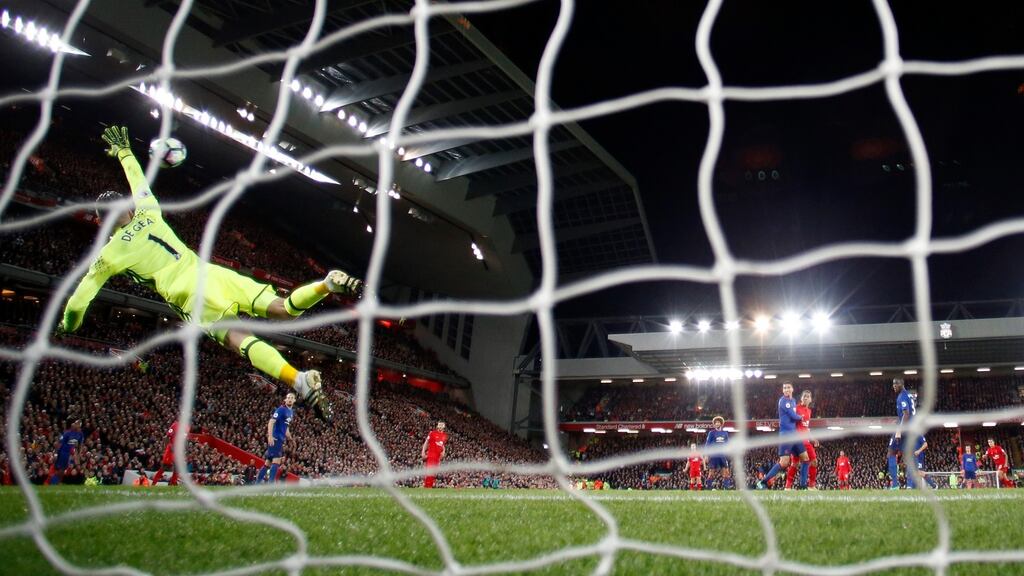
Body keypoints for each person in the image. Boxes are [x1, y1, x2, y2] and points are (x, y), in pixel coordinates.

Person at [56, 126, 362, 423]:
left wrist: (68, 326)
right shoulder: (149, 211)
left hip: (188, 292)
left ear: (102, 223)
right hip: (212, 273)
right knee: (283, 309)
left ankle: (297, 380)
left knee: (238, 338)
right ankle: (324, 284)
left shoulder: (108, 254)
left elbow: (79, 299)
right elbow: (139, 181)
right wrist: (124, 152)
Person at [758, 381, 808, 490]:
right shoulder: (783, 401)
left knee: (805, 458)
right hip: (786, 434)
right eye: (784, 388)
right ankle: (763, 482)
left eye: (788, 387)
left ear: (792, 389)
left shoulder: (794, 400)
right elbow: (792, 415)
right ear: (782, 390)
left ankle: (803, 486)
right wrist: (801, 417)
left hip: (794, 434)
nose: (786, 389)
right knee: (784, 462)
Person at [887, 378, 925, 489]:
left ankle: (894, 485)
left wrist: (899, 430)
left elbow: (906, 414)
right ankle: (909, 486)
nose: (894, 385)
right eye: (893, 384)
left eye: (896, 383)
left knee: (891, 453)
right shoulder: (908, 395)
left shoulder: (902, 396)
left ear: (902, 384)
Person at [257, 392, 295, 483]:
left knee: (268, 463)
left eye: (292, 398)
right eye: (288, 397)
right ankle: (270, 484)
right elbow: (271, 422)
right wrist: (270, 436)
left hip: (281, 439)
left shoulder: (291, 412)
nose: (289, 399)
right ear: (285, 400)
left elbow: (286, 427)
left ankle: (257, 483)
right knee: (276, 461)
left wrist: (291, 439)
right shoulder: (281, 409)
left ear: (294, 400)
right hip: (276, 438)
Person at [785, 390, 818, 490]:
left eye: (808, 396)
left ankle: (808, 486)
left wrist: (813, 439)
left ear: (811, 399)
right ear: (801, 398)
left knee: (809, 462)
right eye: (804, 396)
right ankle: (805, 486)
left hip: (805, 440)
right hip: (798, 440)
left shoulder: (809, 411)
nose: (806, 398)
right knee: (807, 461)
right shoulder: (796, 408)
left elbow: (806, 428)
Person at [152, 420, 190, 486]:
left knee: (177, 468)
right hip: (171, 450)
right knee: (165, 467)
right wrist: (168, 447)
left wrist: (186, 449)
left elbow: (185, 439)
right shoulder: (175, 425)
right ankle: (153, 483)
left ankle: (173, 483)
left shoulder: (187, 427)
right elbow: (166, 437)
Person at [49, 418, 84, 485]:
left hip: (69, 453)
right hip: (63, 452)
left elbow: (81, 444)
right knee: (60, 469)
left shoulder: (80, 434)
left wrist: (79, 454)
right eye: (75, 423)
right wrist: (56, 453)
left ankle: (57, 482)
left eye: (78, 424)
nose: (76, 424)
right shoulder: (67, 433)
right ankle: (53, 482)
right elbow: (59, 443)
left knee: (63, 469)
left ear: (80, 425)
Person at [703, 416, 732, 490]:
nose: (717, 424)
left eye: (718, 422)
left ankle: (726, 488)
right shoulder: (711, 433)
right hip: (714, 455)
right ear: (714, 424)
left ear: (721, 423)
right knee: (711, 472)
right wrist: (706, 455)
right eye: (715, 423)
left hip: (722, 455)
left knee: (726, 472)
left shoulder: (725, 433)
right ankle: (709, 488)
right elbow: (707, 444)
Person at [421, 421, 448, 488]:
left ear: (444, 427)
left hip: (438, 457)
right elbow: (426, 442)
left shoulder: (445, 436)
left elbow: (442, 444)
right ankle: (426, 487)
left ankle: (429, 487)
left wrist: (444, 451)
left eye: (442, 426)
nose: (440, 427)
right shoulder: (432, 433)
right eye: (440, 425)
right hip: (431, 455)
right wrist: (423, 452)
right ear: (437, 426)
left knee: (433, 473)